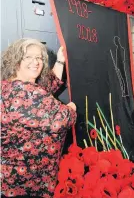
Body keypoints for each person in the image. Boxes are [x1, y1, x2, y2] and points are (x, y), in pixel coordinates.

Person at [1, 38, 77, 198]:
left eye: (39, 58)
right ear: (15, 60)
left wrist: (60, 62)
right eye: (28, 57)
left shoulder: (7, 86)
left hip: (9, 180)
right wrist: (71, 109)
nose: (35, 62)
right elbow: (63, 118)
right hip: (28, 183)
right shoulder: (27, 93)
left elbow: (47, 87)